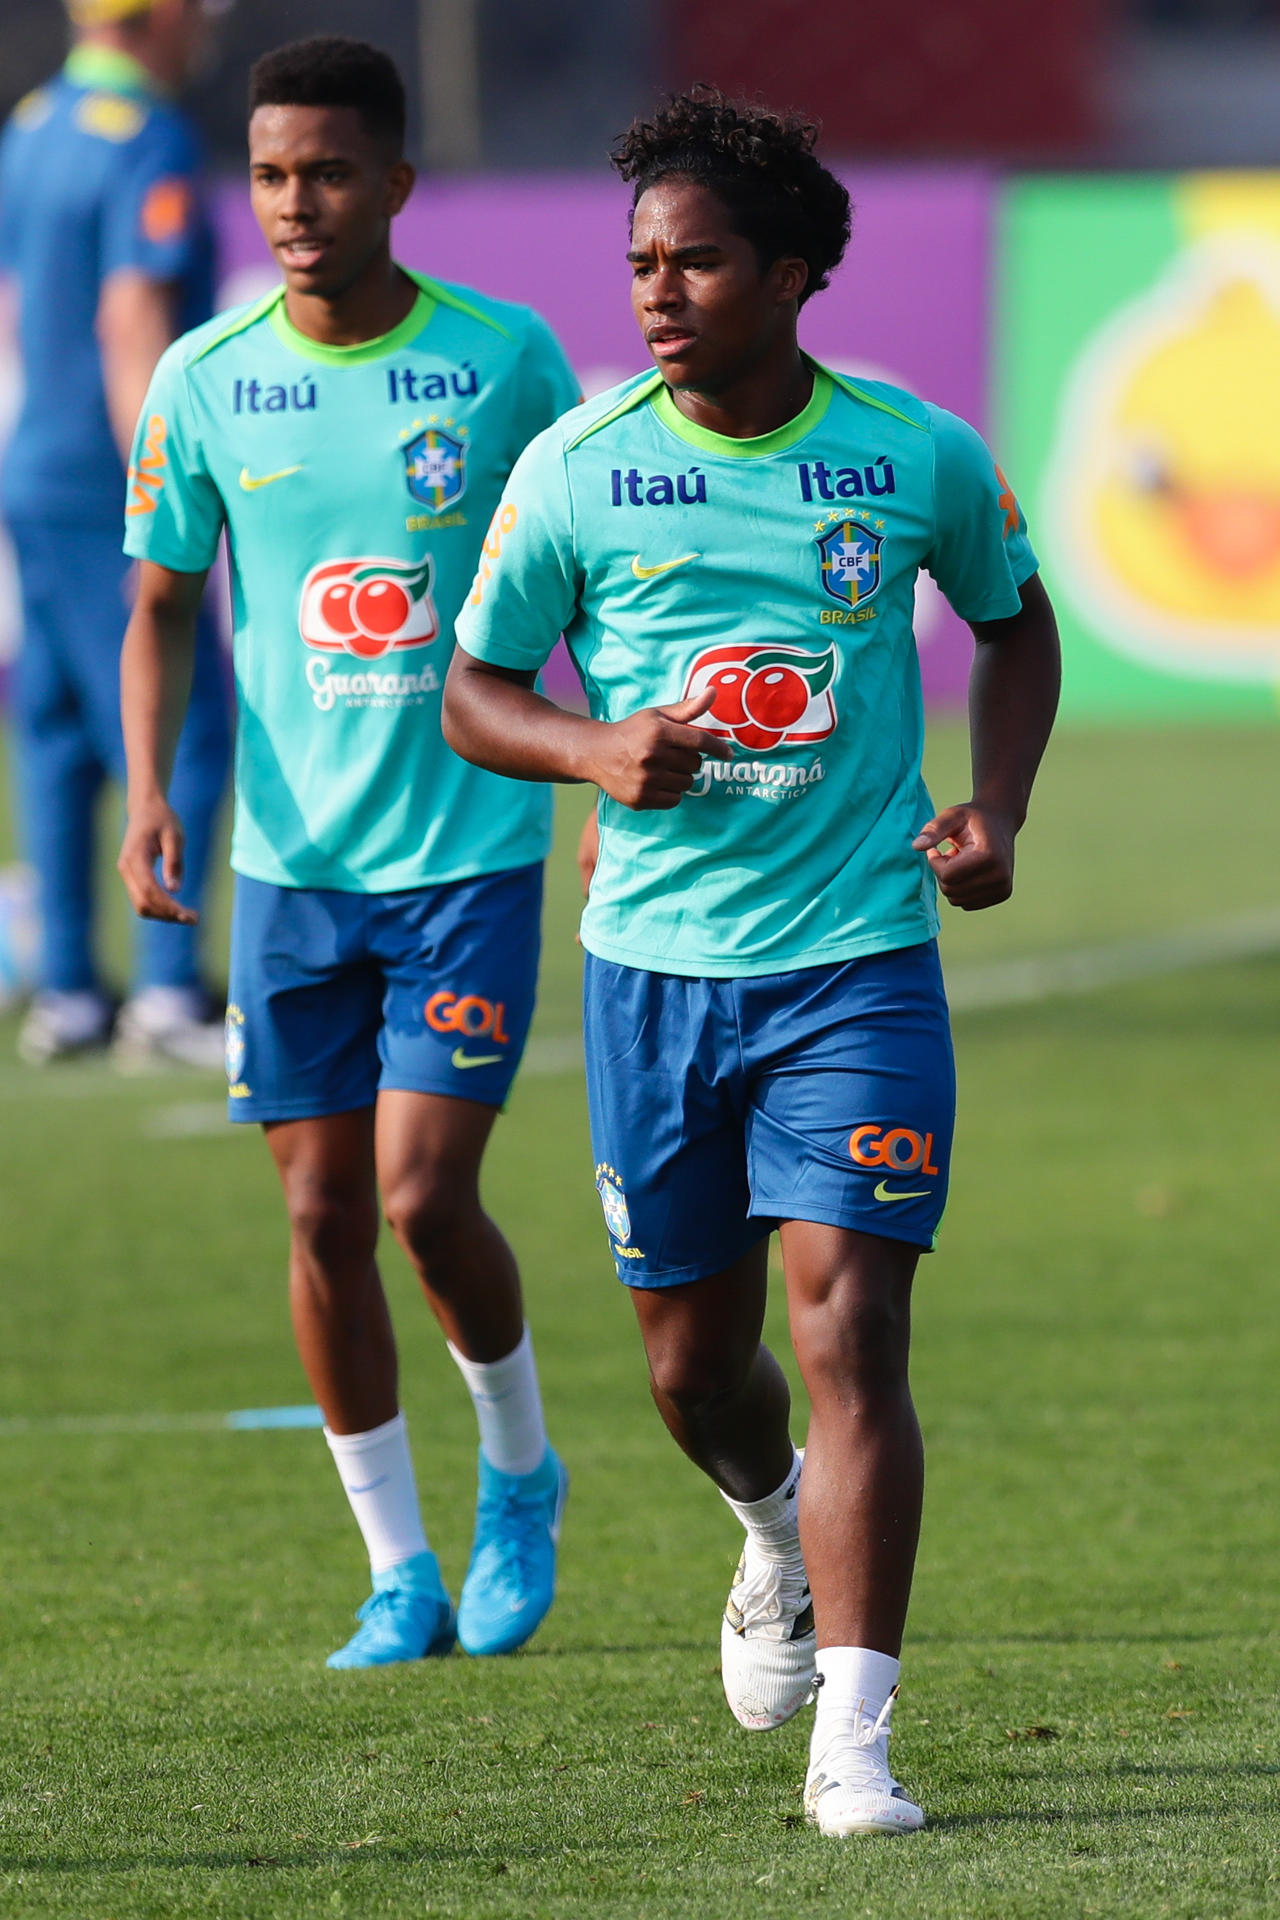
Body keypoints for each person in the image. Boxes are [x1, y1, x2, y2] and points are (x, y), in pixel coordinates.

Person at [444, 87, 1060, 1834]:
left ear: (792, 273)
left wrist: (993, 806)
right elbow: (471, 689)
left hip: (859, 955)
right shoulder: (576, 465)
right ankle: (771, 1526)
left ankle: (855, 1747)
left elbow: (1015, 624)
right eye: (640, 260)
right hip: (652, 973)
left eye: (695, 259)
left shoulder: (912, 453)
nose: (655, 290)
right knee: (690, 1372)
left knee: (854, 1322)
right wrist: (589, 750)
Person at [116, 37, 579, 1666]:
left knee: (420, 1198)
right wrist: (155, 793)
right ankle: (399, 1568)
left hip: (467, 851)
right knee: (318, 1218)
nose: (294, 203)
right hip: (291, 872)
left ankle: (520, 1475)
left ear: (393, 180)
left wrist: (603, 774)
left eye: (325, 171)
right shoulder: (204, 377)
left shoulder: (505, 360)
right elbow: (164, 603)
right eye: (268, 173)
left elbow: (592, 581)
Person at [0, 0, 231, 1066]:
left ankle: (72, 993)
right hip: (106, 472)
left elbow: (15, 303)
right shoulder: (147, 136)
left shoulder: (34, 122)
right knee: (179, 715)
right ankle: (169, 991)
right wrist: (160, 490)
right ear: (159, 16)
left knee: (52, 724)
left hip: (36, 458)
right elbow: (133, 314)